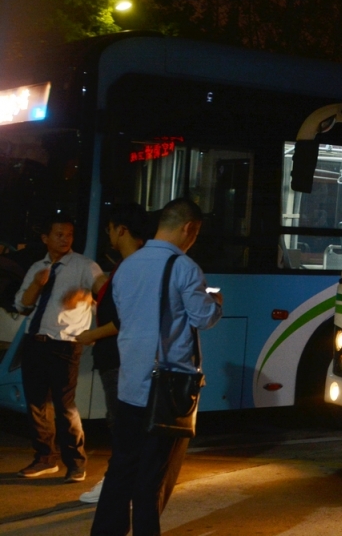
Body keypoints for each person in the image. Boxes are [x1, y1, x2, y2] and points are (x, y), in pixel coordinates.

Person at [92, 198, 222, 536]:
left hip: (130, 384)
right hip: (167, 389)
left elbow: (126, 317)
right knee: (151, 479)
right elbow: (203, 318)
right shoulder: (184, 267)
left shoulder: (126, 267)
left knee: (121, 470)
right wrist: (216, 302)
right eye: (195, 234)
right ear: (189, 228)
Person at [13, 216, 101, 482]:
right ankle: (45, 458)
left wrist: (85, 296)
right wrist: (37, 284)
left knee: (65, 406)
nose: (65, 239)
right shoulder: (37, 267)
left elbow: (104, 291)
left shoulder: (84, 266)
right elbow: (22, 306)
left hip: (65, 343)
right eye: (59, 234)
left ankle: (76, 462)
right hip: (35, 340)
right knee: (37, 403)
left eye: (69, 234)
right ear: (45, 238)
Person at [75, 202, 149, 504]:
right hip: (115, 358)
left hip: (120, 359)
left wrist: (90, 335)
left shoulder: (134, 266)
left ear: (122, 230)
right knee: (121, 423)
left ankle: (117, 483)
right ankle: (125, 481)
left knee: (122, 425)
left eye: (110, 229)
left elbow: (124, 319)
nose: (108, 235)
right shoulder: (128, 264)